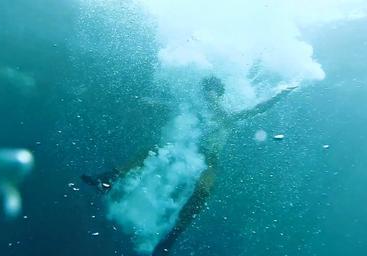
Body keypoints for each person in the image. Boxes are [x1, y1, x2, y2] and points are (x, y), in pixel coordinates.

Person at [82, 76, 297, 255]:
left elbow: (259, 108)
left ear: (219, 96)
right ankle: (109, 178)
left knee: (202, 192)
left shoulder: (228, 117)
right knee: (154, 150)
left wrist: (280, 94)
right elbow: (165, 106)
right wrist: (146, 102)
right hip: (184, 148)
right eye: (207, 93)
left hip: (208, 158)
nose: (209, 97)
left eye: (213, 93)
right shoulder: (196, 112)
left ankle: (172, 236)